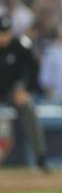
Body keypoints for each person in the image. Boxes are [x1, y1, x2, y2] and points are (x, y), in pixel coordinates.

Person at [0, 13, 49, 171]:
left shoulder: (19, 46)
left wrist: (24, 89)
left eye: (6, 32)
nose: (3, 36)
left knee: (28, 105)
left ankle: (41, 157)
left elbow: (32, 70)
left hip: (12, 92)